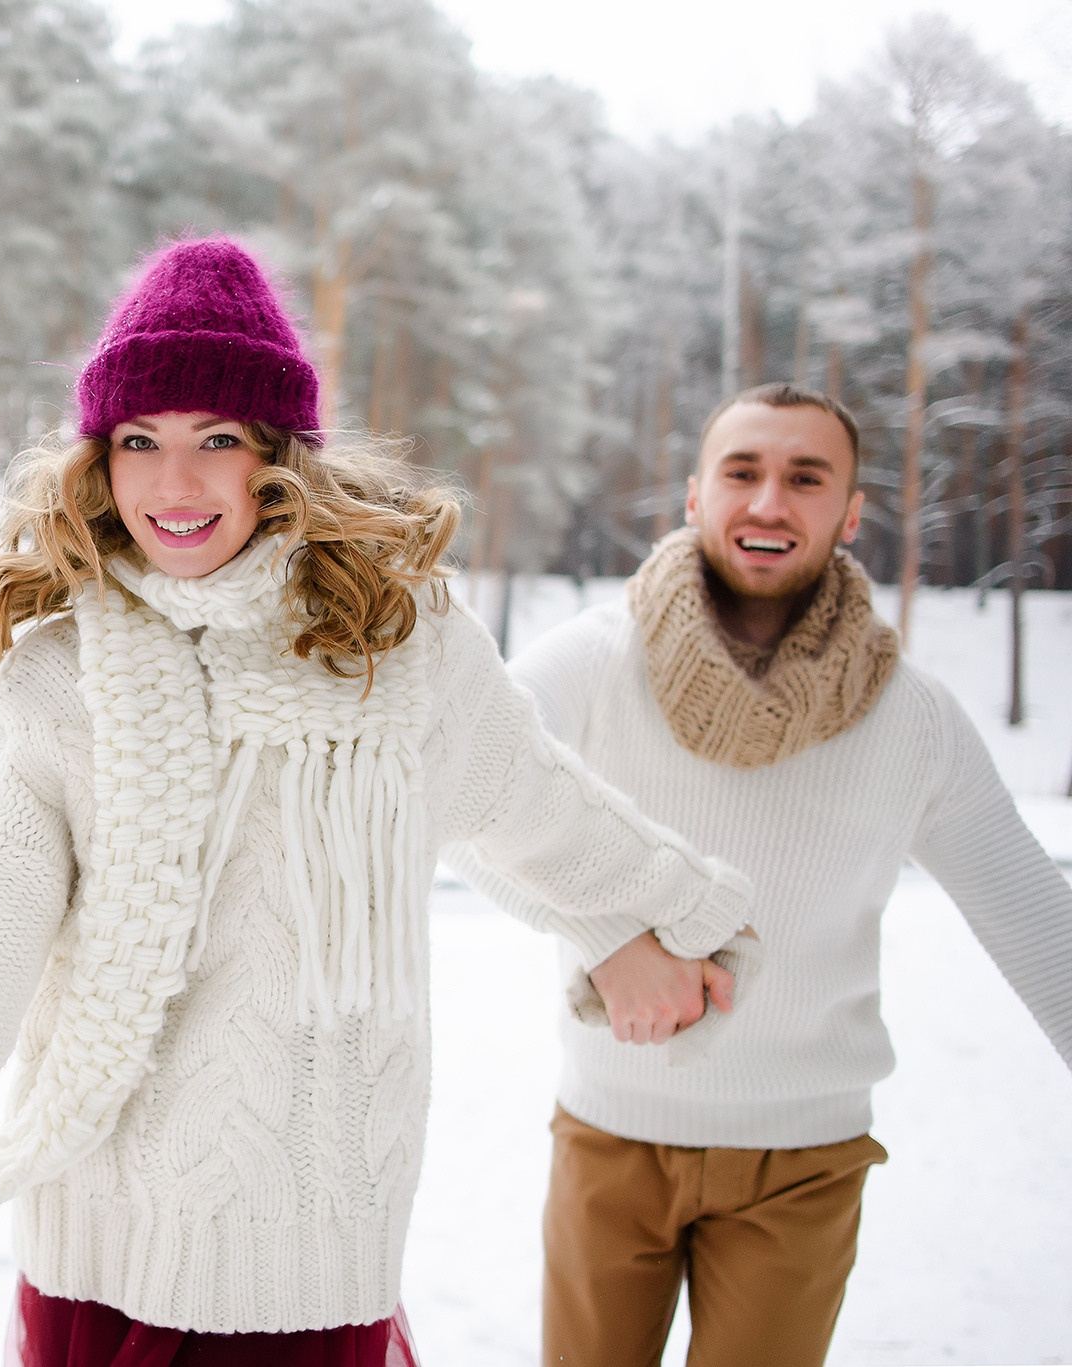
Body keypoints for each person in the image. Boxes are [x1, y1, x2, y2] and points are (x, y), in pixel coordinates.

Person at [0, 238, 755, 1362]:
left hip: (314, 1254)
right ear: (97, 462)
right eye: (138, 440)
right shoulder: (59, 681)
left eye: (217, 438)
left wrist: (681, 917)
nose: (175, 482)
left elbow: (539, 811)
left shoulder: (399, 650)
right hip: (100, 1253)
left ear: (278, 454)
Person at [453, 382, 1072, 1367]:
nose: (769, 502)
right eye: (741, 472)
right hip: (611, 1135)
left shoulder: (914, 719)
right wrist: (608, 938)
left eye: (805, 477)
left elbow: (1038, 920)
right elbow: (453, 796)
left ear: (851, 512)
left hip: (804, 1162)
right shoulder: (591, 663)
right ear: (695, 495)